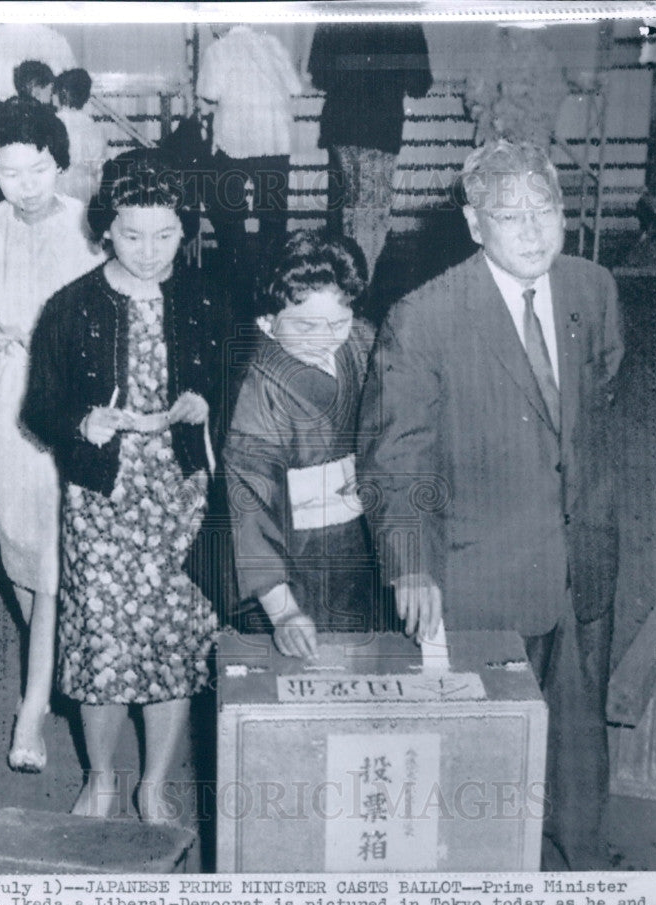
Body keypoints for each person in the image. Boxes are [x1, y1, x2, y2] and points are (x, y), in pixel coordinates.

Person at [358, 140, 623, 870]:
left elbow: (594, 401)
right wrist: (412, 567)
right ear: (476, 225)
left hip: (583, 560)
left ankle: (580, 885)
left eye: (545, 211)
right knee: (481, 762)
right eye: (510, 217)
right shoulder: (425, 318)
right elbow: (394, 460)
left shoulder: (593, 289)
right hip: (477, 577)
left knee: (577, 749)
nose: (533, 231)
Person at [22, 150, 224, 823]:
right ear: (105, 227)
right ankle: (103, 777)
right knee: (100, 643)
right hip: (102, 500)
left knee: (174, 641)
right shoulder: (72, 306)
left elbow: (236, 379)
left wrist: (205, 405)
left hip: (179, 497)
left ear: (185, 231)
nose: (148, 251)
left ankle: (155, 785)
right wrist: (82, 421)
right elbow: (38, 409)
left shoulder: (205, 297)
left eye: (165, 235)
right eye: (132, 234)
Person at [0, 98, 104, 772]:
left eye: (38, 168)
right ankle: (55, 655)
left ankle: (33, 705)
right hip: (8, 403)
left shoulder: (91, 228)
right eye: (10, 172)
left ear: (59, 163)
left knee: (56, 553)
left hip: (78, 403)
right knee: (19, 545)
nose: (26, 184)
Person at [223, 231, 383, 659]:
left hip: (357, 550)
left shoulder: (362, 342)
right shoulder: (257, 391)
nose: (326, 338)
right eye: (306, 326)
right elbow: (248, 505)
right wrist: (283, 611)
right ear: (266, 322)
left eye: (340, 321)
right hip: (289, 567)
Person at [308, 23, 431, 279]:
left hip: (340, 125)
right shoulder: (402, 15)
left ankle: (344, 287)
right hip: (381, 127)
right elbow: (420, 83)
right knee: (372, 214)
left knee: (345, 212)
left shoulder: (335, 11)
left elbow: (319, 75)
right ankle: (361, 287)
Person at [196, 24, 302, 284]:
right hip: (275, 141)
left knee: (228, 210)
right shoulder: (273, 45)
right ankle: (273, 279)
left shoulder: (218, 50)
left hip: (235, 143)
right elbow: (295, 88)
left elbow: (208, 94)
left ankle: (237, 275)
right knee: (273, 215)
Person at [53, 68, 109, 204]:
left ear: (63, 93)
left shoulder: (53, 123)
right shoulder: (95, 127)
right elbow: (98, 166)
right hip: (86, 189)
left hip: (57, 186)